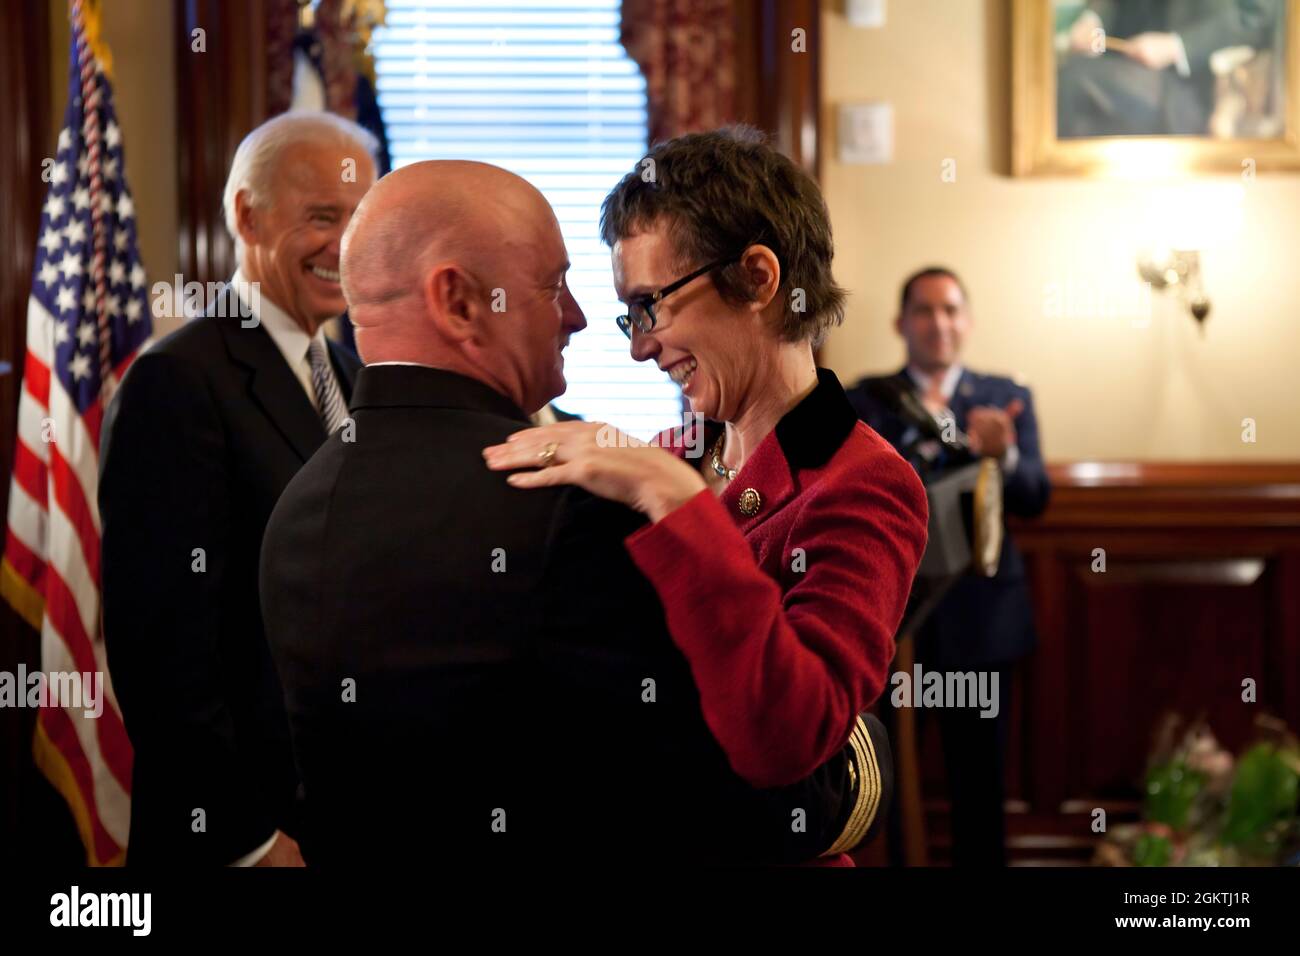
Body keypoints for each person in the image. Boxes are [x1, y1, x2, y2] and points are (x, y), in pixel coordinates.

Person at [259, 159, 889, 866]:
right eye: (555, 286)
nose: (601, 329)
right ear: (459, 303)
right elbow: (756, 794)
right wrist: (869, 764)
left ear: (759, 280)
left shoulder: (298, 505)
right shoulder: (584, 502)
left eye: (650, 304)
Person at [483, 127, 929, 793]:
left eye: (650, 306)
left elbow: (792, 735)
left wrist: (681, 506)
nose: (641, 348)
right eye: (629, 317)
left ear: (757, 277)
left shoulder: (866, 482)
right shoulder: (671, 456)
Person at [99, 111, 377, 866]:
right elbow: (161, 652)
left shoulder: (352, 377)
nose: (347, 245)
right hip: (241, 837)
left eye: (362, 219)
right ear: (246, 215)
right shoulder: (179, 381)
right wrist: (245, 841)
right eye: (323, 217)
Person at [844, 266, 1051, 866]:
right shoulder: (863, 400)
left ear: (968, 321)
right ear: (901, 324)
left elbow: (1037, 497)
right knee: (880, 779)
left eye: (951, 310)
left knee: (980, 785)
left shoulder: (1005, 397)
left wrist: (1004, 455)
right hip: (889, 618)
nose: (940, 324)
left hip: (982, 619)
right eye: (926, 312)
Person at [1058, 0, 1280, 137]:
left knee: (1070, 84)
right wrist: (1094, 20)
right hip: (1123, 67)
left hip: (1202, 87)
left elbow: (1260, 17)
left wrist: (1177, 45)